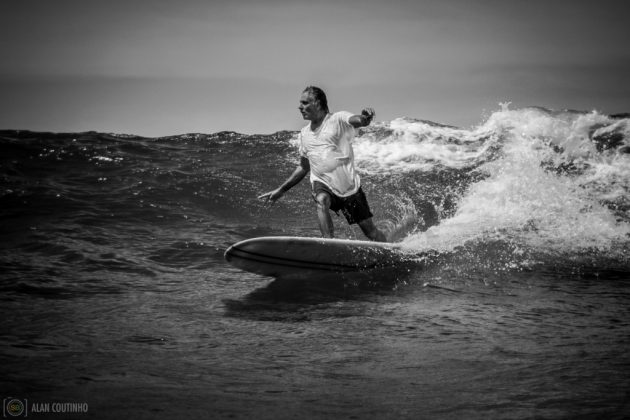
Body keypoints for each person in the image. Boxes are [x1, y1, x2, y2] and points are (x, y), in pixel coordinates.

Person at [258, 86, 387, 242]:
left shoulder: (337, 119)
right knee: (322, 199)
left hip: (349, 187)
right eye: (301, 103)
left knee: (370, 232)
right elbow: (304, 167)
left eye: (305, 103)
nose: (300, 107)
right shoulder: (304, 134)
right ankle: (329, 243)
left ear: (318, 103)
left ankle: (389, 249)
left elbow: (357, 120)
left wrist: (365, 118)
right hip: (323, 183)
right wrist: (281, 189)